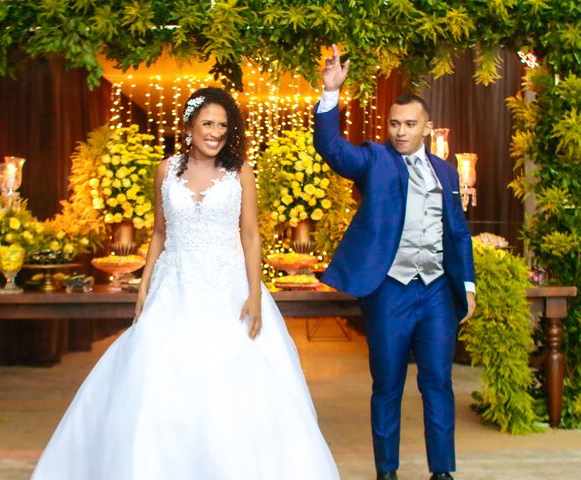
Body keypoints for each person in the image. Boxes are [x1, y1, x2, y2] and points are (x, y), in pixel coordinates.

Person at [32, 87, 340, 480]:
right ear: (189, 125)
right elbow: (160, 233)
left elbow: (250, 235)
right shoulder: (166, 169)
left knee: (228, 380)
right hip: (173, 285)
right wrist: (144, 285)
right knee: (158, 374)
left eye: (223, 126)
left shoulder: (239, 171)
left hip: (227, 286)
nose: (215, 133)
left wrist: (255, 294)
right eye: (208, 123)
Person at [313, 46, 476, 480]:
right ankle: (387, 471)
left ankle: (442, 472)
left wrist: (469, 287)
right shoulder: (374, 159)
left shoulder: (445, 171)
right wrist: (331, 94)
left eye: (408, 124)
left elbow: (458, 231)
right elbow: (331, 148)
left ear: (426, 126)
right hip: (391, 289)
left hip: (439, 290)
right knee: (387, 385)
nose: (399, 131)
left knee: (438, 383)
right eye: (393, 123)